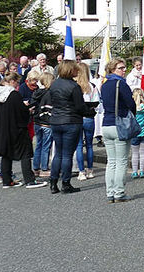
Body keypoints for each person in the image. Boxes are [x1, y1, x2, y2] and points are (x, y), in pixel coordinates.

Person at [0, 70, 44, 188]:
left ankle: (7, 180)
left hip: (3, 128)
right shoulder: (14, 95)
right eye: (16, 82)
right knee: (25, 152)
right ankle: (30, 180)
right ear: (11, 81)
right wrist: (28, 110)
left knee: (7, 154)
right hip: (16, 129)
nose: (18, 85)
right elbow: (20, 112)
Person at [48, 59, 92, 194]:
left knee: (58, 154)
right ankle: (66, 184)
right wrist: (90, 111)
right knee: (67, 154)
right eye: (75, 69)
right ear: (70, 70)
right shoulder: (74, 86)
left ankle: (53, 183)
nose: (77, 71)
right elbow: (79, 107)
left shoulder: (54, 84)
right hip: (71, 121)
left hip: (56, 120)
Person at [100, 58, 137, 203]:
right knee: (121, 161)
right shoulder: (121, 84)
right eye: (120, 68)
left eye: (124, 68)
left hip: (106, 124)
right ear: (112, 69)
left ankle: (110, 192)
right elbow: (130, 103)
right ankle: (119, 192)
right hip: (119, 124)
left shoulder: (104, 85)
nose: (124, 71)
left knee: (111, 162)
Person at [74, 61, 99, 180]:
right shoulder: (92, 86)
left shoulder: (74, 87)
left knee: (79, 145)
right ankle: (90, 170)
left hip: (77, 118)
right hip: (89, 118)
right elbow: (97, 103)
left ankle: (81, 171)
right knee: (89, 145)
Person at [30, 71, 54, 179]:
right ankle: (44, 168)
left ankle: (36, 168)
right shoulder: (50, 93)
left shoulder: (36, 92)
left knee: (38, 145)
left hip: (37, 121)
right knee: (46, 146)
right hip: (47, 122)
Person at [131, 88, 144, 179]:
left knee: (134, 153)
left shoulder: (133, 107)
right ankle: (142, 171)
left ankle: (135, 172)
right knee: (143, 152)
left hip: (135, 132)